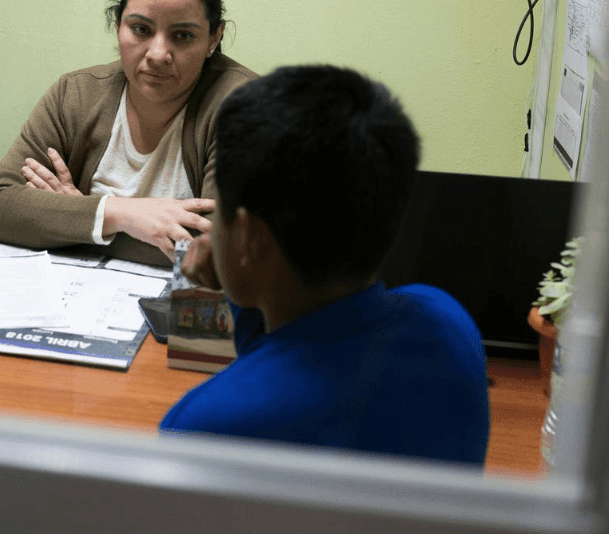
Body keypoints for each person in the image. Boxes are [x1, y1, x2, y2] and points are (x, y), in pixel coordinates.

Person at [161, 65, 491, 465]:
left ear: (249, 236)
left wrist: (239, 270)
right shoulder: (449, 323)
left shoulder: (204, 426)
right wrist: (241, 273)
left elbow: (273, 376)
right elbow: (289, 349)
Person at [0, 0, 259, 266]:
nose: (157, 53)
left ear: (214, 37)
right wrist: (118, 212)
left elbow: (218, 253)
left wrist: (76, 218)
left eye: (182, 36)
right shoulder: (75, 94)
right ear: (118, 25)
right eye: (141, 29)